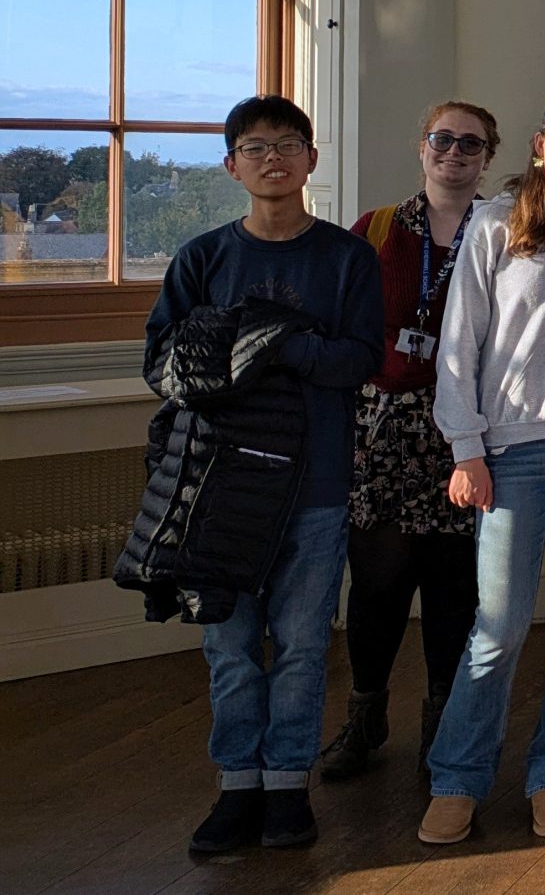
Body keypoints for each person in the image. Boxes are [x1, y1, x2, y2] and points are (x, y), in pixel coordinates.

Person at [148, 96, 384, 856]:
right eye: (255, 148)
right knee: (229, 646)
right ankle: (236, 786)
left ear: (312, 159)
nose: (273, 159)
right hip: (216, 491)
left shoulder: (346, 259)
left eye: (289, 145)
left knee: (305, 645)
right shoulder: (203, 258)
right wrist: (259, 347)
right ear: (231, 166)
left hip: (314, 486)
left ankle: (287, 786)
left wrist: (271, 342)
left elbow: (359, 362)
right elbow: (162, 364)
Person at [419, 90, 545, 847]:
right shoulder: (493, 222)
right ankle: (458, 777)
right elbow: (458, 344)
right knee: (501, 622)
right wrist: (466, 447)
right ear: (542, 143)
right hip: (513, 448)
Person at [317, 102, 495, 785]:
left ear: (487, 156)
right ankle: (365, 717)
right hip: (383, 430)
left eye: (469, 144)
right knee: (378, 584)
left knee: (455, 586)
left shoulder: (501, 232)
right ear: (422, 149)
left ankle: (442, 728)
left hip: (464, 433)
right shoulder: (378, 229)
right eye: (442, 140)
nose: (454, 153)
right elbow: (344, 326)